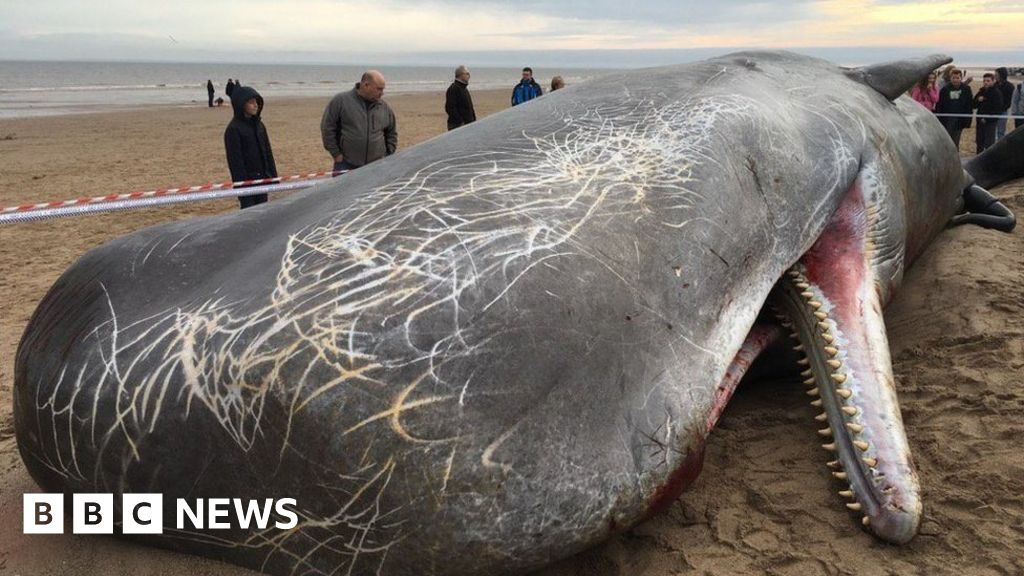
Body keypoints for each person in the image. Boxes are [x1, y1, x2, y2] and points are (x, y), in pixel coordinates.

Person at [320, 70, 398, 172]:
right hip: (346, 164)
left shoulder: (384, 107)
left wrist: (389, 153)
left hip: (377, 166)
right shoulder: (341, 101)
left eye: (383, 89)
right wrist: (336, 155)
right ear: (366, 85)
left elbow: (391, 132)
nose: (382, 93)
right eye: (379, 89)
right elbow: (327, 128)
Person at [224, 85, 277, 209]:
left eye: (256, 102)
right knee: (249, 213)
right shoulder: (233, 129)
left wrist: (272, 176)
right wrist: (241, 185)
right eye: (251, 102)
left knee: (263, 211)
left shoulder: (259, 126)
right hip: (246, 183)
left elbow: (267, 152)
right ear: (242, 105)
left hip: (262, 180)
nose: (255, 105)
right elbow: (235, 161)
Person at [935, 69, 973, 148]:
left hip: (960, 118)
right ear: (950, 78)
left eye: (957, 78)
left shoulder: (966, 89)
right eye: (953, 78)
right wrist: (939, 118)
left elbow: (969, 104)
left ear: (961, 78)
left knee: (956, 139)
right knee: (947, 139)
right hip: (947, 118)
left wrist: (968, 120)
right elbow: (940, 105)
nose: (955, 80)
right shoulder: (945, 89)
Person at [973, 72, 1005, 153]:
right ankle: (979, 158)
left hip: (991, 121)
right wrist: (978, 100)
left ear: (993, 81)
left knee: (989, 143)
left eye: (988, 81)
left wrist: (987, 118)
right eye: (984, 81)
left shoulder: (996, 93)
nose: (986, 82)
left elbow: (998, 109)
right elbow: (973, 105)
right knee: (979, 141)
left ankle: (989, 162)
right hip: (980, 120)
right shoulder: (981, 91)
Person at [445, 65, 476, 130]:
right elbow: (449, 108)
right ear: (460, 75)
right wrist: (460, 122)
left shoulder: (464, 88)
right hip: (458, 125)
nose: (469, 76)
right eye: (467, 74)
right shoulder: (454, 88)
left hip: (469, 124)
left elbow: (469, 107)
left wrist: (474, 120)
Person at [994, 67, 1015, 140]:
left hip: (1003, 111)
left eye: (996, 75)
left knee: (1001, 131)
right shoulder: (994, 85)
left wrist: (1002, 108)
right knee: (992, 131)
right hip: (993, 111)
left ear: (1001, 75)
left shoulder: (1010, 86)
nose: (995, 76)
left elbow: (1010, 101)